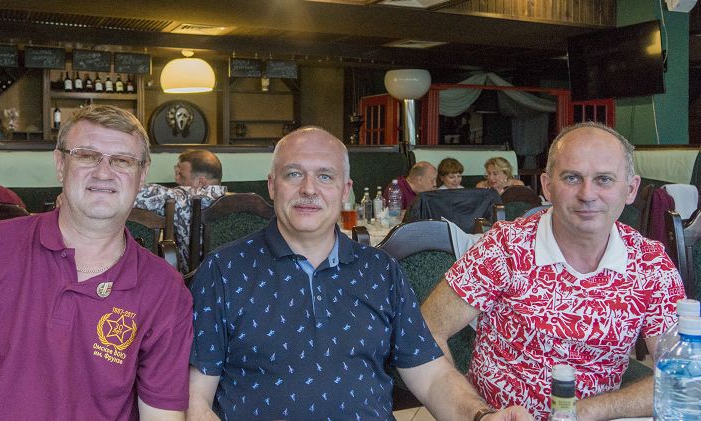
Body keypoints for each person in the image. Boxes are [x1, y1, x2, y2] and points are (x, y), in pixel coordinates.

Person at [188, 126, 531, 421]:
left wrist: (481, 416)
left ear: (345, 190)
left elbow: (431, 375)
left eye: (325, 176)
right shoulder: (223, 271)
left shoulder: (381, 270)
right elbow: (196, 398)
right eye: (293, 174)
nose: (309, 188)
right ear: (272, 185)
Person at [0, 105, 193, 419]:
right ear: (60, 164)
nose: (104, 172)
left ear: (142, 175)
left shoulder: (165, 290)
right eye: (86, 156)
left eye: (122, 160)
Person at [422, 122, 684, 420]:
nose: (587, 194)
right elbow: (427, 332)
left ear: (631, 189)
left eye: (604, 179)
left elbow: (681, 376)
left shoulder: (650, 263)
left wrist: (586, 411)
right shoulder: (505, 246)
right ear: (547, 186)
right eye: (572, 178)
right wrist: (477, 414)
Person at [134, 148, 226, 273]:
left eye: (181, 175)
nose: (176, 179)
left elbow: (131, 193)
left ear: (200, 181)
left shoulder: (182, 198)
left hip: (194, 279)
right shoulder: (242, 203)